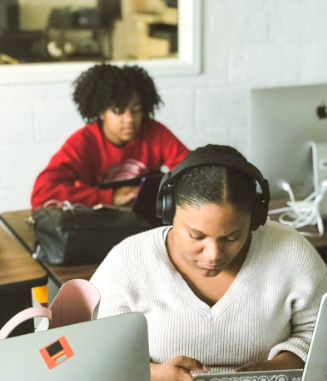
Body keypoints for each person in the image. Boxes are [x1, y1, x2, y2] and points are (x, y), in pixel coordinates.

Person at [90, 144, 327, 380]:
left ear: (255, 218)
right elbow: (96, 349)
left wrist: (280, 366)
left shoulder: (292, 253)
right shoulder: (128, 261)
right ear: (168, 210)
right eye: (197, 236)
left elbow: (317, 333)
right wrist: (153, 374)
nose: (213, 254)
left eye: (232, 237)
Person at [30, 64, 189, 209]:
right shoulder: (83, 143)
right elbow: (42, 194)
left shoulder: (155, 132)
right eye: (118, 111)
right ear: (101, 112)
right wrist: (111, 196)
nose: (129, 119)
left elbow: (193, 171)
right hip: (102, 224)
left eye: (136, 109)